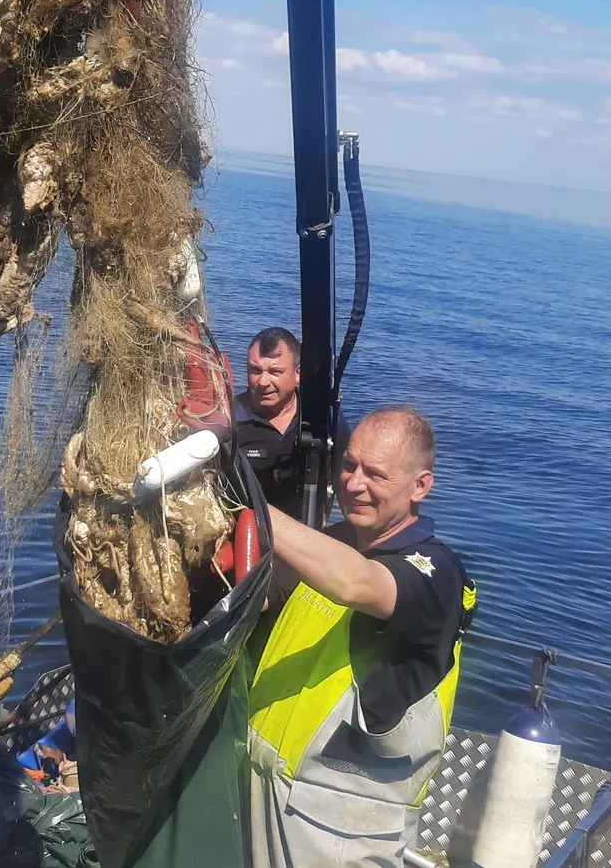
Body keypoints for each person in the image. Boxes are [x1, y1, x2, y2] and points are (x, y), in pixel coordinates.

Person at [246, 407, 476, 868]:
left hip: (342, 829)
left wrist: (249, 496)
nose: (352, 483)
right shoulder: (335, 541)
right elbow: (260, 593)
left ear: (420, 487)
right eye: (348, 465)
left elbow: (358, 584)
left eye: (376, 474)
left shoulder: (436, 574)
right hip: (261, 788)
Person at [234, 326, 349, 518]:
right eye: (255, 370)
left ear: (297, 374)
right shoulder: (231, 417)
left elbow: (347, 480)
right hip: (248, 527)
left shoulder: (321, 418)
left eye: (275, 372)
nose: (263, 382)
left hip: (308, 531)